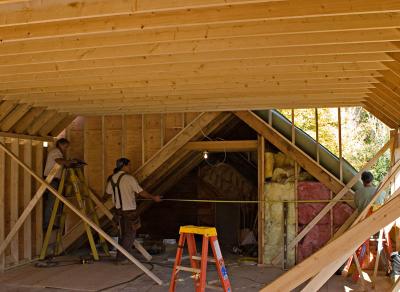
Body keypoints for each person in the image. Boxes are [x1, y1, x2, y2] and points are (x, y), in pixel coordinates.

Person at [106, 158, 161, 264]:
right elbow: (141, 192)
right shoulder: (129, 178)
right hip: (129, 211)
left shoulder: (112, 178)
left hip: (118, 212)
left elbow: (108, 192)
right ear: (124, 166)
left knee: (123, 234)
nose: (130, 167)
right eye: (129, 165)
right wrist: (153, 197)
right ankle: (121, 259)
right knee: (130, 235)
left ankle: (120, 257)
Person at [43, 138, 71, 230]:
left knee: (53, 202)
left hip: (54, 180)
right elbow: (59, 161)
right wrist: (69, 162)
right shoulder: (56, 151)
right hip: (51, 179)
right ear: (61, 145)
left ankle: (50, 223)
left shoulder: (58, 152)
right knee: (51, 202)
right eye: (65, 146)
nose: (66, 149)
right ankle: (47, 224)